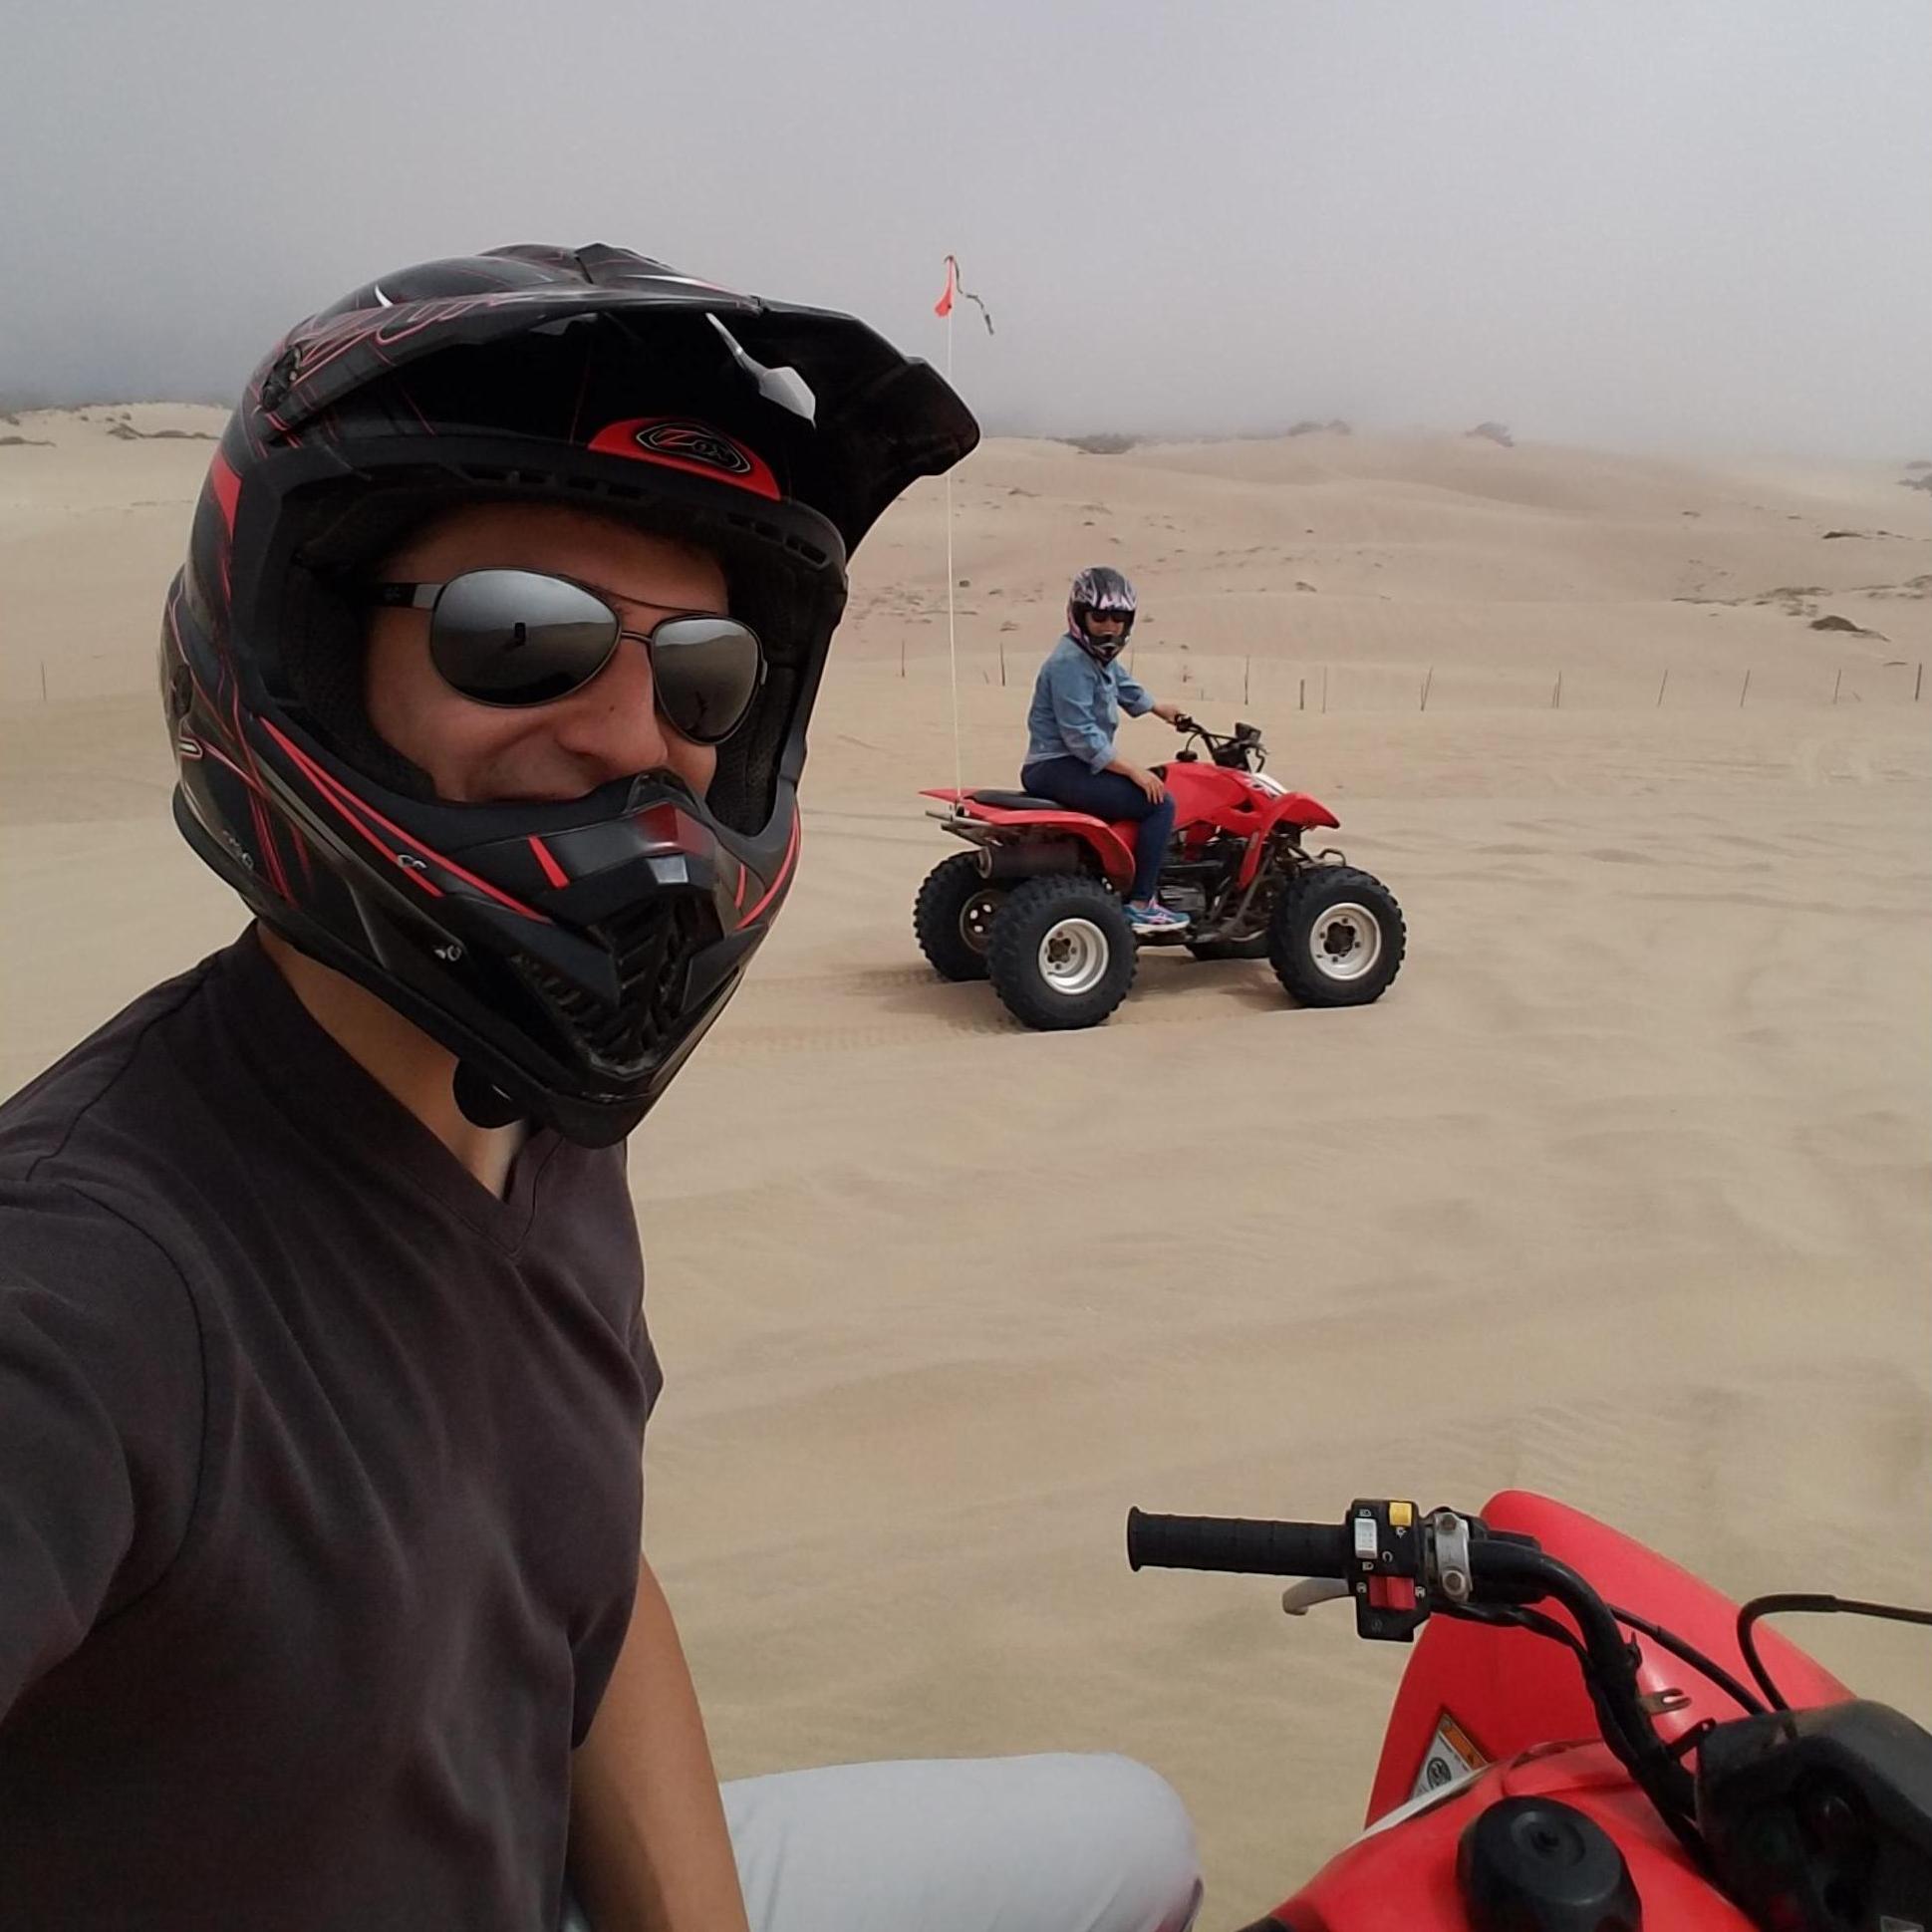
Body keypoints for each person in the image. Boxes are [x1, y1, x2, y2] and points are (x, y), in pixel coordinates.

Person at [0, 245, 1203, 1932]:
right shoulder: (89, 1274)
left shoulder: (541, 1117)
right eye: (520, 633)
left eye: (703, 667)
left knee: (1138, 1832)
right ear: (306, 654)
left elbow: (580, 1571)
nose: (637, 732)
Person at [1020, 568, 1190, 933]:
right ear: (1079, 615)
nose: (1109, 627)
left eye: (1118, 618)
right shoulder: (1070, 663)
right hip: (1058, 766)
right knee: (1160, 804)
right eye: (1099, 617)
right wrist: (1132, 770)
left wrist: (1159, 708)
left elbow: (1122, 685)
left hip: (1064, 765)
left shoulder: (1094, 658)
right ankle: (1143, 902)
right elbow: (1081, 736)